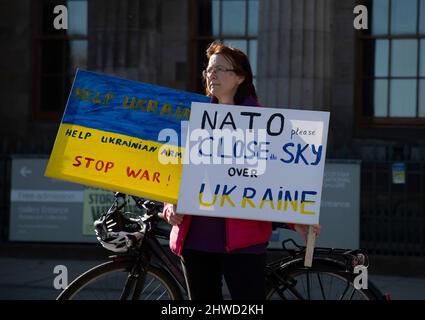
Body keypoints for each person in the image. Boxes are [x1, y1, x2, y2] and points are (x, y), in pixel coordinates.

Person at [163, 41, 321, 300]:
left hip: (244, 243)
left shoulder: (266, 123)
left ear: (240, 77)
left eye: (220, 69)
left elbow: (278, 178)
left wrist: (297, 217)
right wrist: (170, 207)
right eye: (209, 70)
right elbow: (173, 171)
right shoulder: (192, 116)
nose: (211, 74)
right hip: (195, 239)